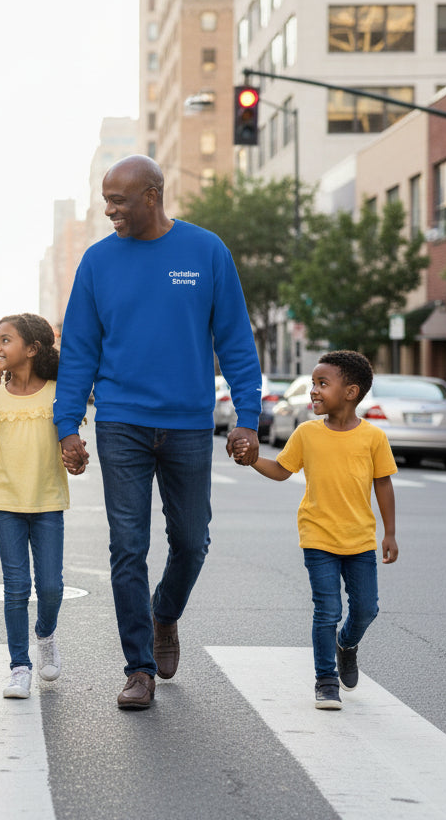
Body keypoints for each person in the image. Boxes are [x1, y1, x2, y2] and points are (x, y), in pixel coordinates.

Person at [54, 154, 263, 710]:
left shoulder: (206, 251)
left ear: (152, 195)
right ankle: (138, 668)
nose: (109, 210)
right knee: (127, 547)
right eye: (105, 199)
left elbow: (236, 342)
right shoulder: (97, 262)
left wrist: (248, 417)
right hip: (121, 421)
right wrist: (67, 424)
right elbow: (78, 349)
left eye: (119, 201)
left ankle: (164, 613)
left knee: (192, 541)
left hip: (189, 423)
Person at [233, 350, 398, 709]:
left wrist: (390, 533)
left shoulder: (373, 438)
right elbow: (281, 470)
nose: (314, 391)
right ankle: (325, 680)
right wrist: (251, 460)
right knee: (327, 609)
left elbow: (384, 484)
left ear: (351, 392)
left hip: (359, 539)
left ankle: (347, 645)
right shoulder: (306, 433)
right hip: (318, 536)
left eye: (323, 384)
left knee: (367, 609)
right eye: (313, 384)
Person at [0, 313, 75, 699]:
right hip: (7, 506)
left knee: (50, 586)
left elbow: (70, 440)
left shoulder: (59, 393)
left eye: (5, 340)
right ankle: (19, 666)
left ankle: (45, 634)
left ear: (31, 349)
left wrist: (76, 455)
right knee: (15, 588)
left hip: (48, 502)